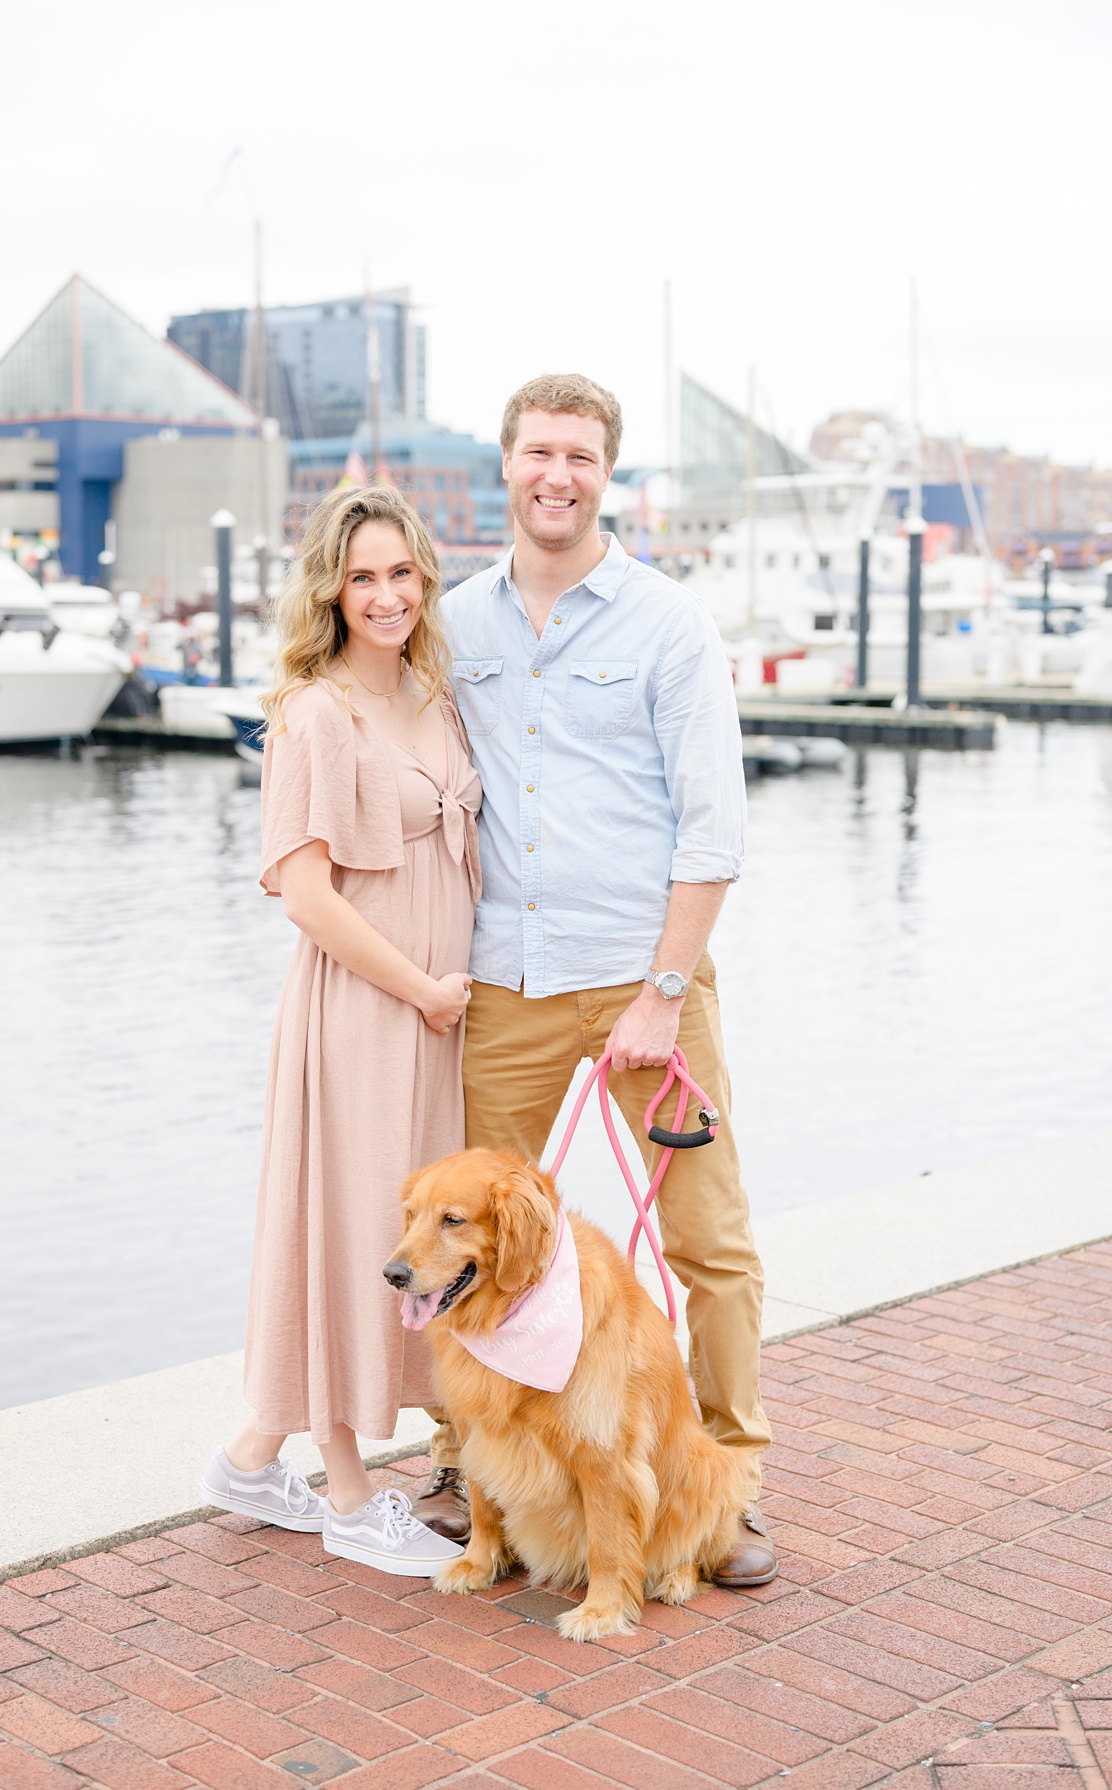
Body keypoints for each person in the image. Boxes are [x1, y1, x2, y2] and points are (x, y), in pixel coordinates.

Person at [415, 372, 773, 1588]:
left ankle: (728, 1475)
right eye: (535, 453)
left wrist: (665, 988)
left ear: (604, 471)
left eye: (578, 455)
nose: (554, 475)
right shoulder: (455, 623)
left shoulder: (668, 624)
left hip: (643, 981)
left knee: (701, 1236)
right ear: (504, 465)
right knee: (487, 1245)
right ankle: (485, 1474)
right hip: (505, 991)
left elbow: (712, 831)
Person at [197, 483, 477, 1577]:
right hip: (369, 1007)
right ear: (332, 588)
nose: (385, 593)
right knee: (362, 1225)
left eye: (402, 572)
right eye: (363, 575)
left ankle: (253, 1452)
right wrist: (419, 988)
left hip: (438, 1012)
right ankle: (351, 1488)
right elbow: (308, 894)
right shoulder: (316, 714)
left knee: (387, 1224)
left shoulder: (433, 695)